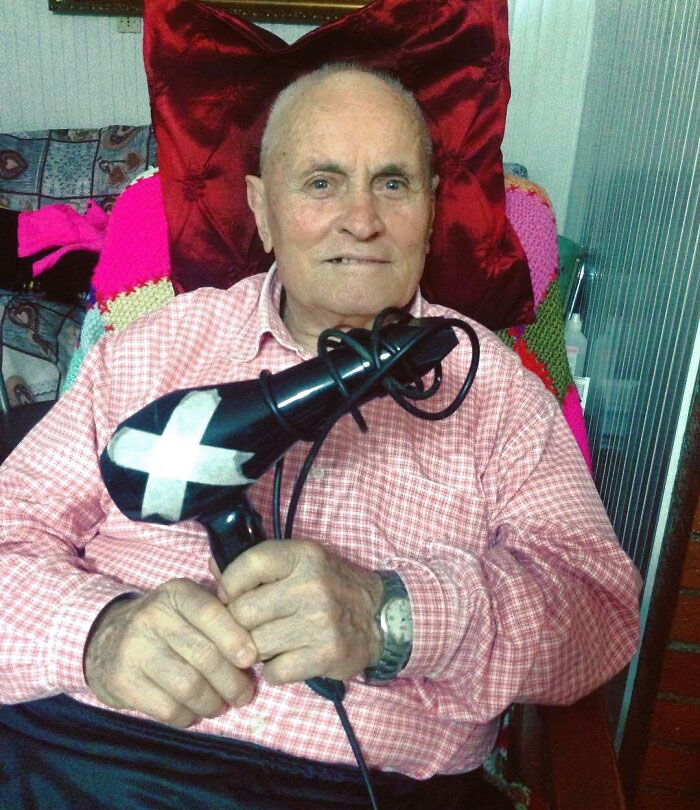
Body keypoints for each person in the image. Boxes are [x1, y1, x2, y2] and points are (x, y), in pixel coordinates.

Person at [0, 64, 641, 809]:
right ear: (262, 209)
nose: (361, 220)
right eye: (321, 183)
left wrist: (391, 617)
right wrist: (99, 634)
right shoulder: (150, 348)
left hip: (364, 789)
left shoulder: (496, 389)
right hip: (85, 752)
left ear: (431, 208)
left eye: (393, 183)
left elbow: (597, 614)